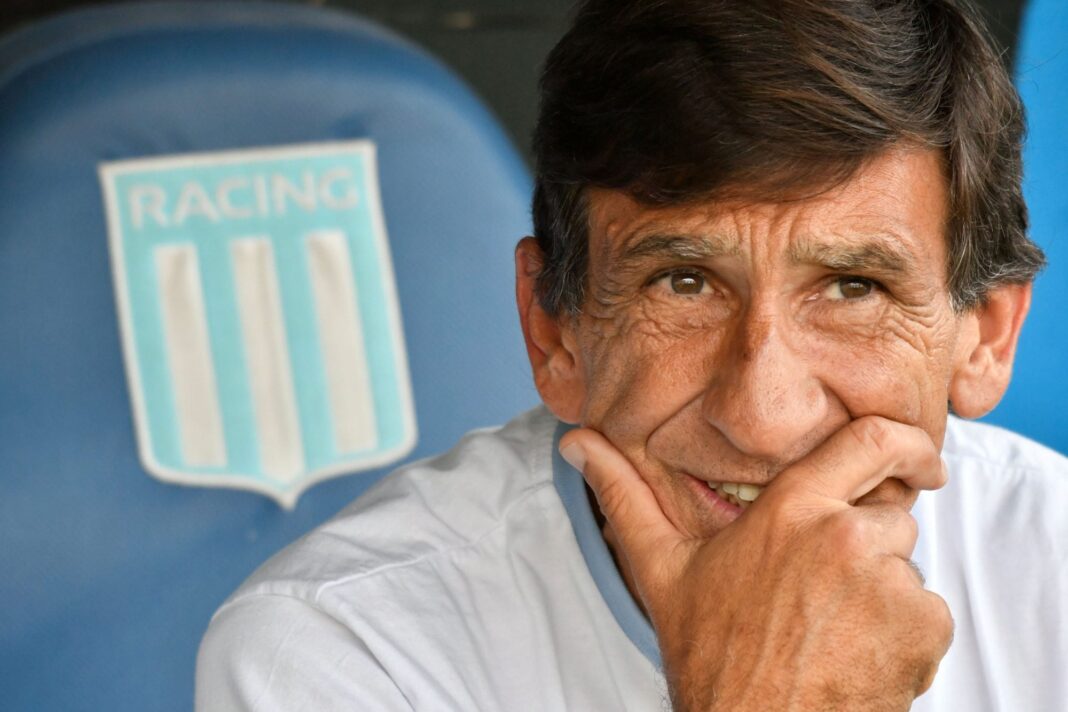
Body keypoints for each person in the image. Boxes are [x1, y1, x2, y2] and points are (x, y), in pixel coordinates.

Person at [196, 0, 1068, 709]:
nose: (763, 421)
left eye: (853, 289)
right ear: (554, 329)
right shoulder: (334, 654)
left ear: (985, 337)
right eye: (683, 283)